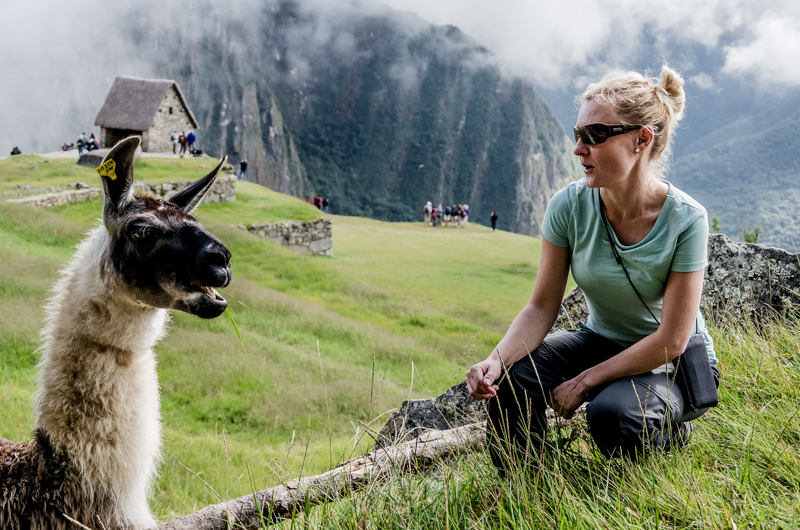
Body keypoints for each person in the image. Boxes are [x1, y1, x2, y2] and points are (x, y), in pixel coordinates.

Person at [466, 66, 718, 469]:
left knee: (613, 416)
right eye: (578, 134)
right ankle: (526, 488)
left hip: (668, 362)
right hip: (600, 340)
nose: (579, 148)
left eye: (595, 136)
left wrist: (587, 381)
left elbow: (672, 338)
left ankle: (670, 429)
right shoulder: (568, 206)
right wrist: (495, 361)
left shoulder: (687, 220)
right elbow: (541, 307)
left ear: (641, 139)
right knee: (514, 379)